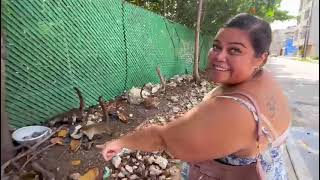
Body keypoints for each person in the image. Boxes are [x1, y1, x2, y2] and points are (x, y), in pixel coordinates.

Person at [97, 13, 291, 180]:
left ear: (261, 58)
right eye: (216, 47)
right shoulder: (264, 80)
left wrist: (121, 142)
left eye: (235, 50)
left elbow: (163, 139)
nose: (218, 56)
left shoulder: (233, 111)